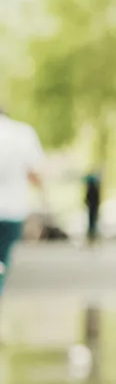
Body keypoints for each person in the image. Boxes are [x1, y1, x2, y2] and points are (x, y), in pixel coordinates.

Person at [0, 107, 44, 298]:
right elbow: (34, 172)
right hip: (12, 210)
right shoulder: (23, 133)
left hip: (12, 208)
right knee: (3, 256)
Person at [83, 170, 102, 244]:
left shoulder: (91, 188)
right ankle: (92, 234)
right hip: (92, 207)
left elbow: (88, 198)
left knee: (92, 221)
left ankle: (92, 234)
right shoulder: (94, 188)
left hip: (92, 207)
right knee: (92, 221)